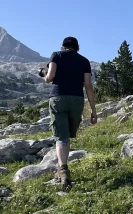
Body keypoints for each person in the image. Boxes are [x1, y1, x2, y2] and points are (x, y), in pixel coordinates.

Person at [42, 36, 97, 192]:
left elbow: (50, 77)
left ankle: (63, 169)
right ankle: (63, 167)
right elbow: (88, 85)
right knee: (67, 135)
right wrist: (93, 111)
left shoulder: (56, 55)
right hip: (76, 100)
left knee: (61, 137)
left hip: (58, 98)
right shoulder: (84, 61)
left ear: (63, 46)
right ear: (77, 48)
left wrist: (45, 76)